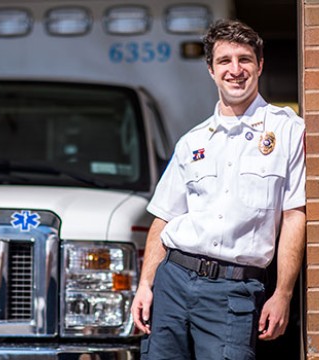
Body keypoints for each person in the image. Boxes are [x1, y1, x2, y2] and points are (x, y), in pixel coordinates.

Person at [131, 19, 306, 359]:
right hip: (173, 282)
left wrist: (283, 293)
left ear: (260, 66)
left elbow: (295, 216)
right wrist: (144, 286)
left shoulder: (287, 131)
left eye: (245, 59)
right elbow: (163, 219)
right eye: (224, 61)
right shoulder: (192, 142)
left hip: (234, 291)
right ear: (211, 70)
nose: (235, 70)